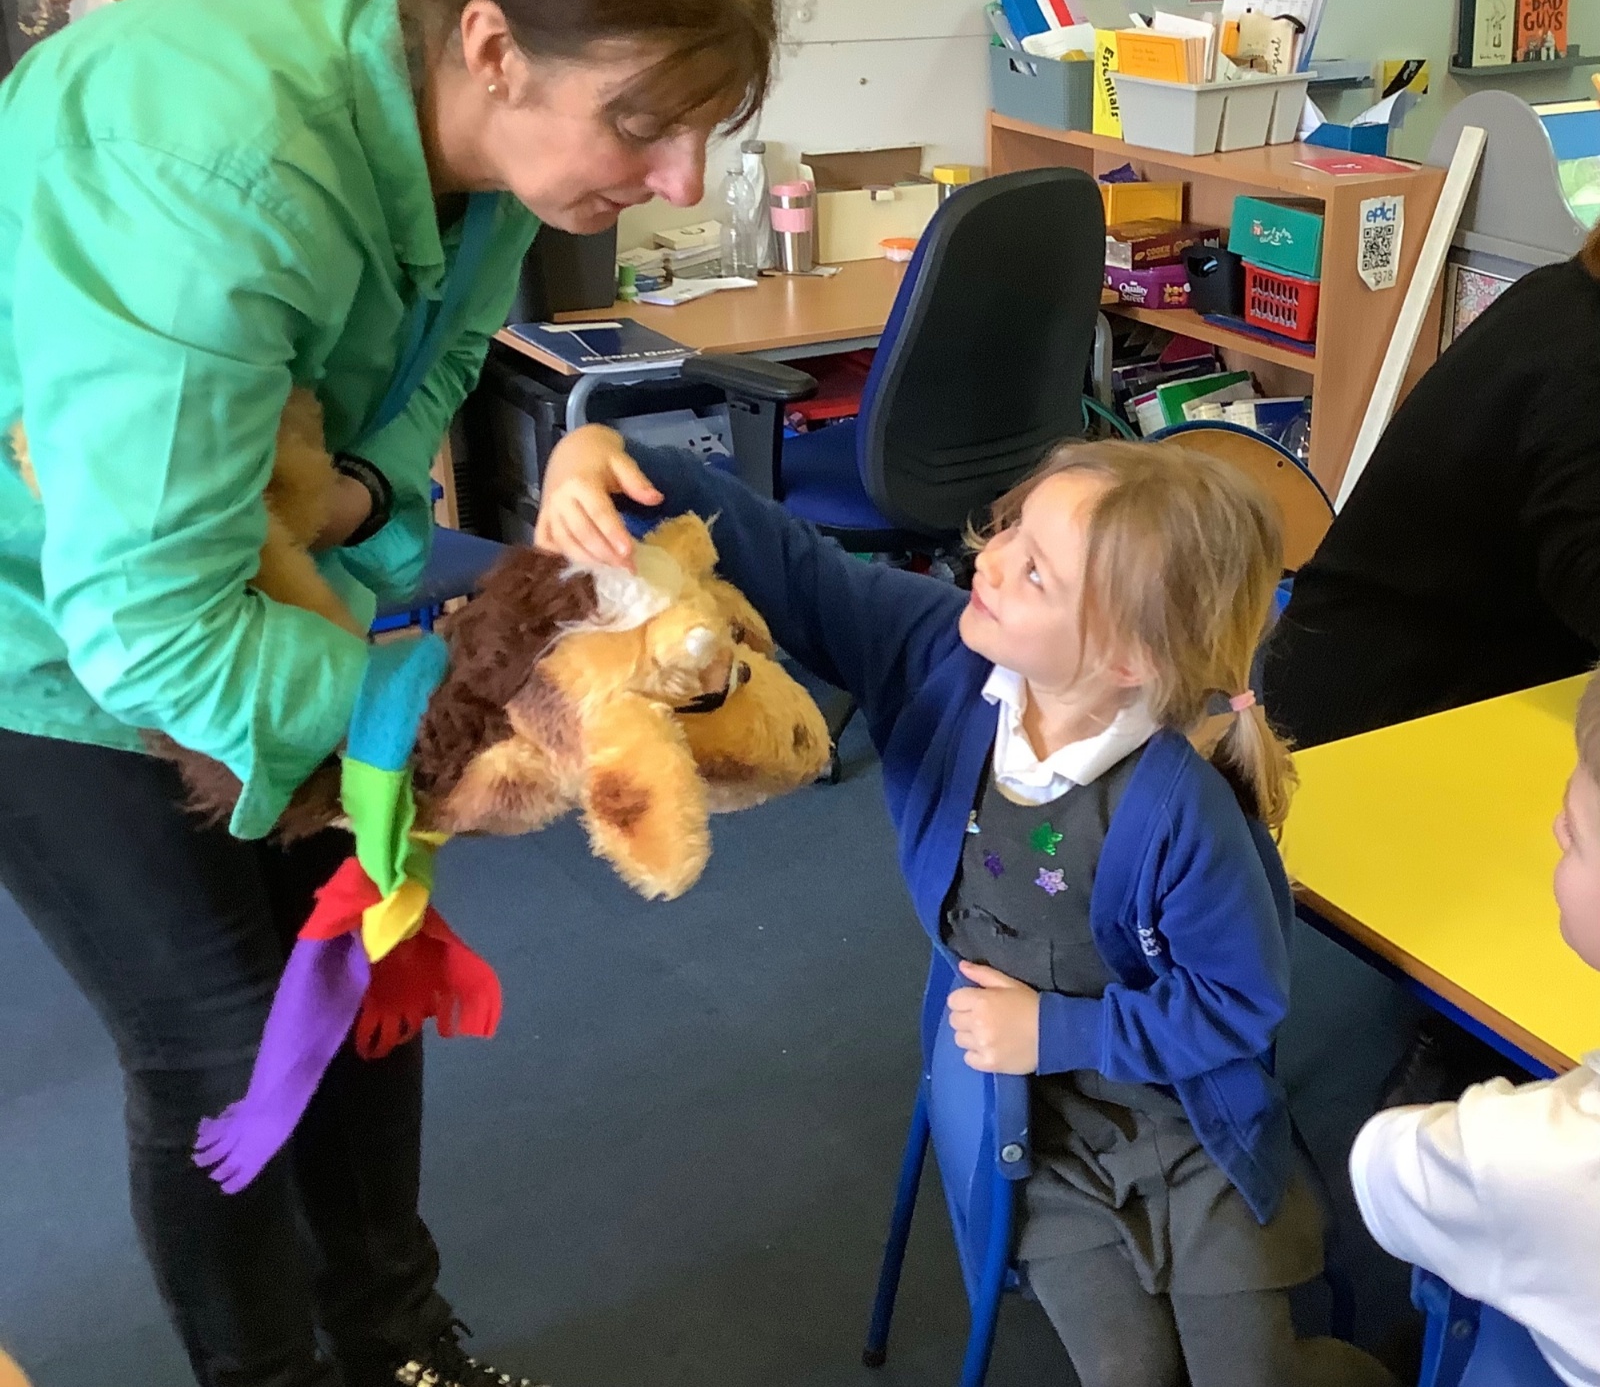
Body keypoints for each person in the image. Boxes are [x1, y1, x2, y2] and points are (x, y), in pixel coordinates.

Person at [0, 0, 776, 1384]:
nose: (678, 178)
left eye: (704, 128)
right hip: (46, 626)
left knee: (361, 946)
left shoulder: (486, 146)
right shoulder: (210, 166)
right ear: (492, 46)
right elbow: (148, 627)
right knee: (220, 1033)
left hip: (252, 587)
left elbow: (428, 379)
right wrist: (462, 717)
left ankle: (394, 1343)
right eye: (644, 123)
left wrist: (352, 502)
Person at [536, 426, 1397, 1387]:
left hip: (1186, 1124)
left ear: (1127, 655)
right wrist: (602, 456)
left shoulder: (1180, 810)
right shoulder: (940, 656)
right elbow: (790, 564)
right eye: (1010, 529)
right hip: (1032, 1126)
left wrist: (1053, 1031)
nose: (988, 558)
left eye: (1035, 573)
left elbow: (1236, 1009)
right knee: (1128, 1372)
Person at [1263, 240, 1600, 1105]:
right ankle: (1459, 1072)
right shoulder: (1579, 356)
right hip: (1382, 698)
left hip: (1486, 663)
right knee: (1569, 840)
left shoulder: (1564, 297)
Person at [1349, 669, 1600, 1387]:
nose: (1555, 830)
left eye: (1576, 835)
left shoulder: (1523, 1157)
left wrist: (1492, 1119)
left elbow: (1384, 1167)